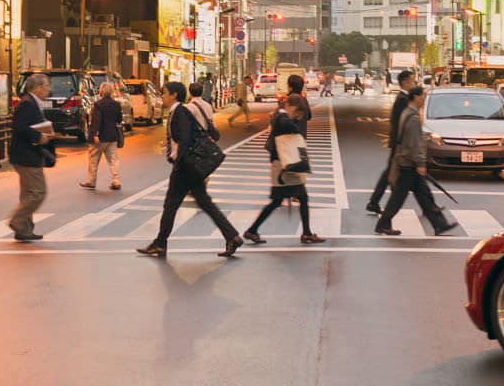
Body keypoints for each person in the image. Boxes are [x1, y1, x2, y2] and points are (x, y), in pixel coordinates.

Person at [138, 81, 242, 258]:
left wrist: (178, 162)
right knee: (204, 203)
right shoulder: (177, 112)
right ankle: (232, 236)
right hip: (188, 166)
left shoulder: (180, 112)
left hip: (185, 167)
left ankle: (160, 244)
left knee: (171, 205)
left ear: (174, 95)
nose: (162, 96)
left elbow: (185, 139)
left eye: (164, 93)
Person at [376, 83, 456, 236]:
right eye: (423, 96)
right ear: (416, 97)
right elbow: (415, 143)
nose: (425, 99)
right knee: (399, 197)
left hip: (407, 161)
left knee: (424, 195)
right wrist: (420, 163)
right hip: (409, 164)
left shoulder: (407, 112)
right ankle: (383, 224)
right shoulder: (413, 118)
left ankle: (439, 224)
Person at [244, 94, 325, 245]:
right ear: (291, 106)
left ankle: (253, 230)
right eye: (298, 112)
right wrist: (296, 128)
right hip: (283, 166)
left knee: (287, 199)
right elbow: (289, 127)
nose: (298, 116)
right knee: (294, 198)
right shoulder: (281, 117)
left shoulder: (279, 116)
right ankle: (305, 233)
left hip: (284, 164)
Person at [7, 73, 56, 243]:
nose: (48, 89)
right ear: (37, 87)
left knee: (28, 193)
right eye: (46, 86)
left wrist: (46, 131)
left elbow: (29, 125)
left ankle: (24, 229)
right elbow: (20, 126)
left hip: (26, 154)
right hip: (26, 155)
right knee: (38, 192)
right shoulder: (27, 103)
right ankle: (17, 220)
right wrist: (38, 136)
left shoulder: (32, 102)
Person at [365, 70, 419, 214]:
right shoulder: (403, 100)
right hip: (399, 143)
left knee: (391, 172)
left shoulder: (403, 98)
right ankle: (377, 202)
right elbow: (401, 124)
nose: (414, 83)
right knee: (395, 173)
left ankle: (375, 201)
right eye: (413, 81)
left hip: (398, 142)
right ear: (405, 82)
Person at [80, 79, 125, 192]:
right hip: (112, 136)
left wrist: (94, 134)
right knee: (113, 160)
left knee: (93, 160)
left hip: (100, 137)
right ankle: (116, 181)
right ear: (111, 92)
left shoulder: (98, 105)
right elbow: (119, 120)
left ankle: (91, 181)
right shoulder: (116, 105)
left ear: (101, 91)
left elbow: (96, 121)